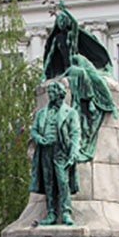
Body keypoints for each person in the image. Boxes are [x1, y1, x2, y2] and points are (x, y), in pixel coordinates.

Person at [29, 82, 81, 226]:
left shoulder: (70, 113)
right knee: (48, 183)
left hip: (61, 151)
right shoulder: (42, 113)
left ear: (59, 93)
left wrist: (73, 153)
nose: (49, 94)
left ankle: (66, 213)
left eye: (52, 92)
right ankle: (51, 213)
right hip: (45, 151)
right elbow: (33, 131)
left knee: (63, 183)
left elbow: (75, 134)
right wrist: (40, 139)